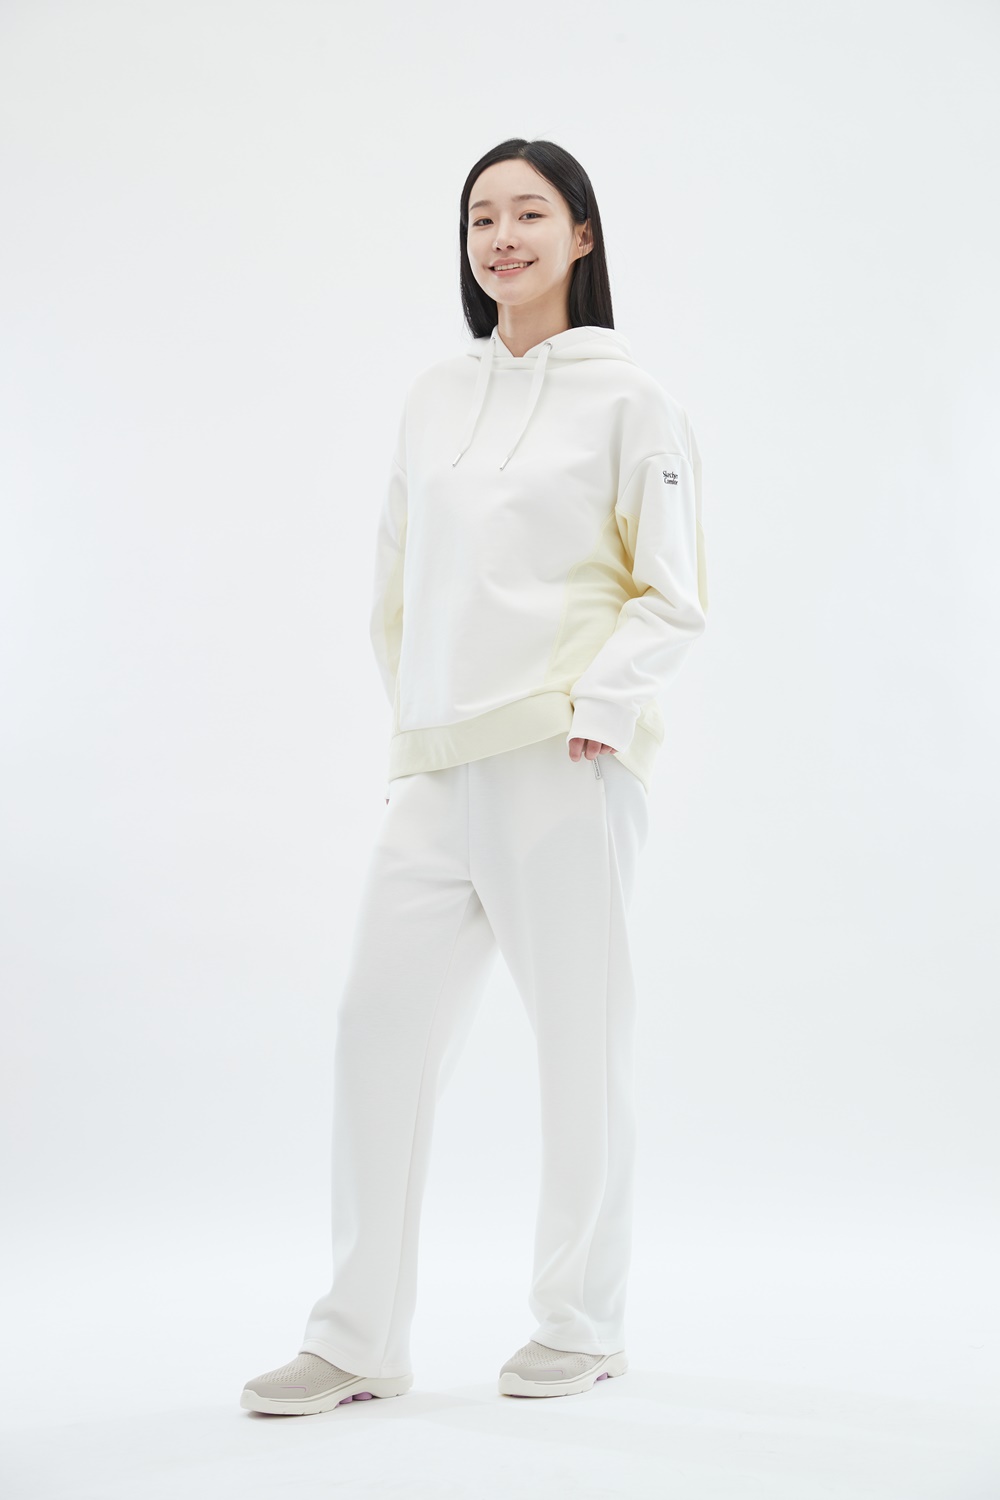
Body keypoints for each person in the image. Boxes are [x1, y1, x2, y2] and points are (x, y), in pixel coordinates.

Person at [241, 136, 709, 1416]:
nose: (502, 237)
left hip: (566, 759)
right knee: (374, 1032)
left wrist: (602, 707)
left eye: (529, 213)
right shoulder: (434, 398)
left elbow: (674, 593)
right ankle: (358, 1338)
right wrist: (415, 724)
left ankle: (581, 1323)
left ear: (581, 234)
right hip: (439, 766)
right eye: (481, 218)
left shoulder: (632, 400)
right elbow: (395, 577)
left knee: (580, 1051)